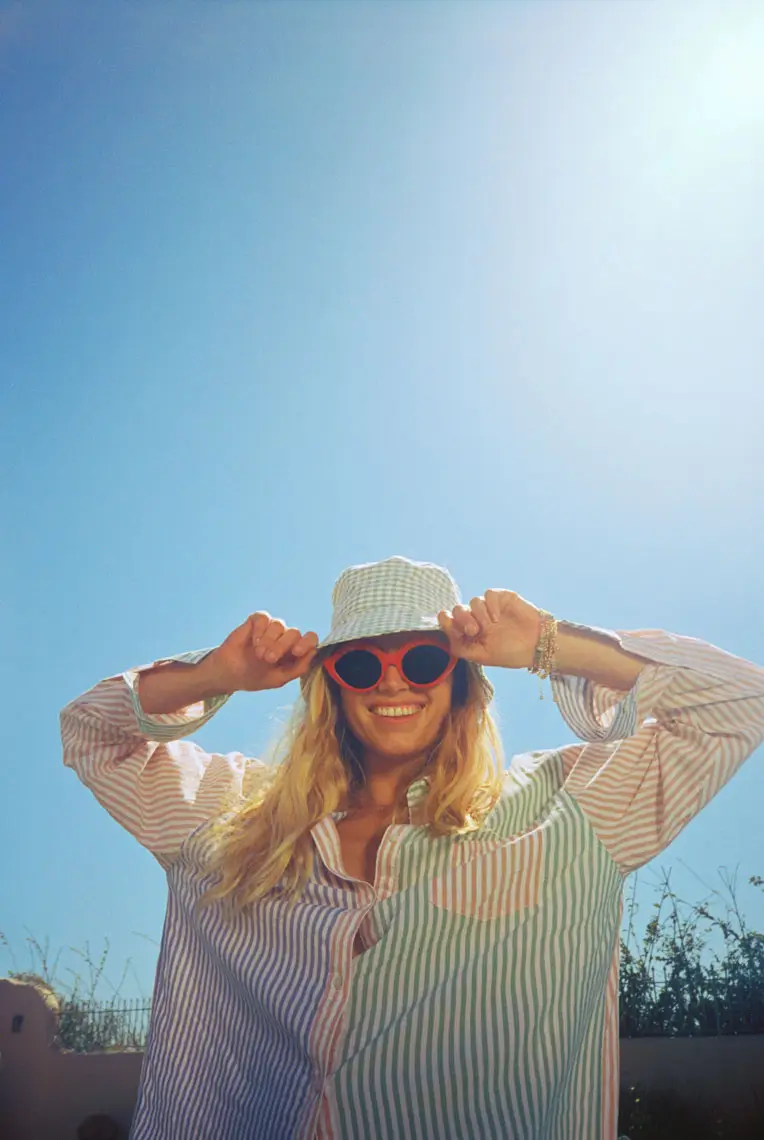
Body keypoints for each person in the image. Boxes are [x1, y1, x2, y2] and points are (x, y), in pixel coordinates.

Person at [60, 556, 764, 1140]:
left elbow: (739, 701)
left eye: (424, 658)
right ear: (330, 686)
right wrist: (214, 676)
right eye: (361, 665)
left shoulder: (567, 807)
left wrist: (550, 643)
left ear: (461, 679)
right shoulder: (231, 814)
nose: (392, 680)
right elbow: (90, 734)